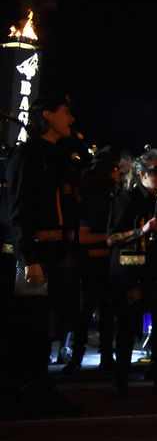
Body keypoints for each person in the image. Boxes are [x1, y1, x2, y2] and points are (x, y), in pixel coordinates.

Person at [2, 94, 81, 417]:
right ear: (47, 115)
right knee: (29, 326)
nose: (71, 119)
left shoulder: (58, 157)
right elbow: (16, 213)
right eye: (65, 113)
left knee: (47, 325)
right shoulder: (27, 156)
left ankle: (39, 388)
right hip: (33, 259)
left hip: (54, 256)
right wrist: (28, 258)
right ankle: (21, 393)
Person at [105, 148, 157, 396]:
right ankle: (121, 382)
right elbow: (111, 238)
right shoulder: (127, 199)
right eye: (156, 170)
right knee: (127, 329)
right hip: (131, 276)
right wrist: (142, 230)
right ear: (141, 174)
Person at [63, 156, 120, 373]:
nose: (118, 175)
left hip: (102, 263)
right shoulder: (96, 202)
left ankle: (102, 357)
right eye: (114, 170)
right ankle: (81, 357)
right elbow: (83, 236)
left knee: (101, 312)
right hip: (92, 264)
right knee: (87, 311)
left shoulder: (107, 199)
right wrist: (108, 238)